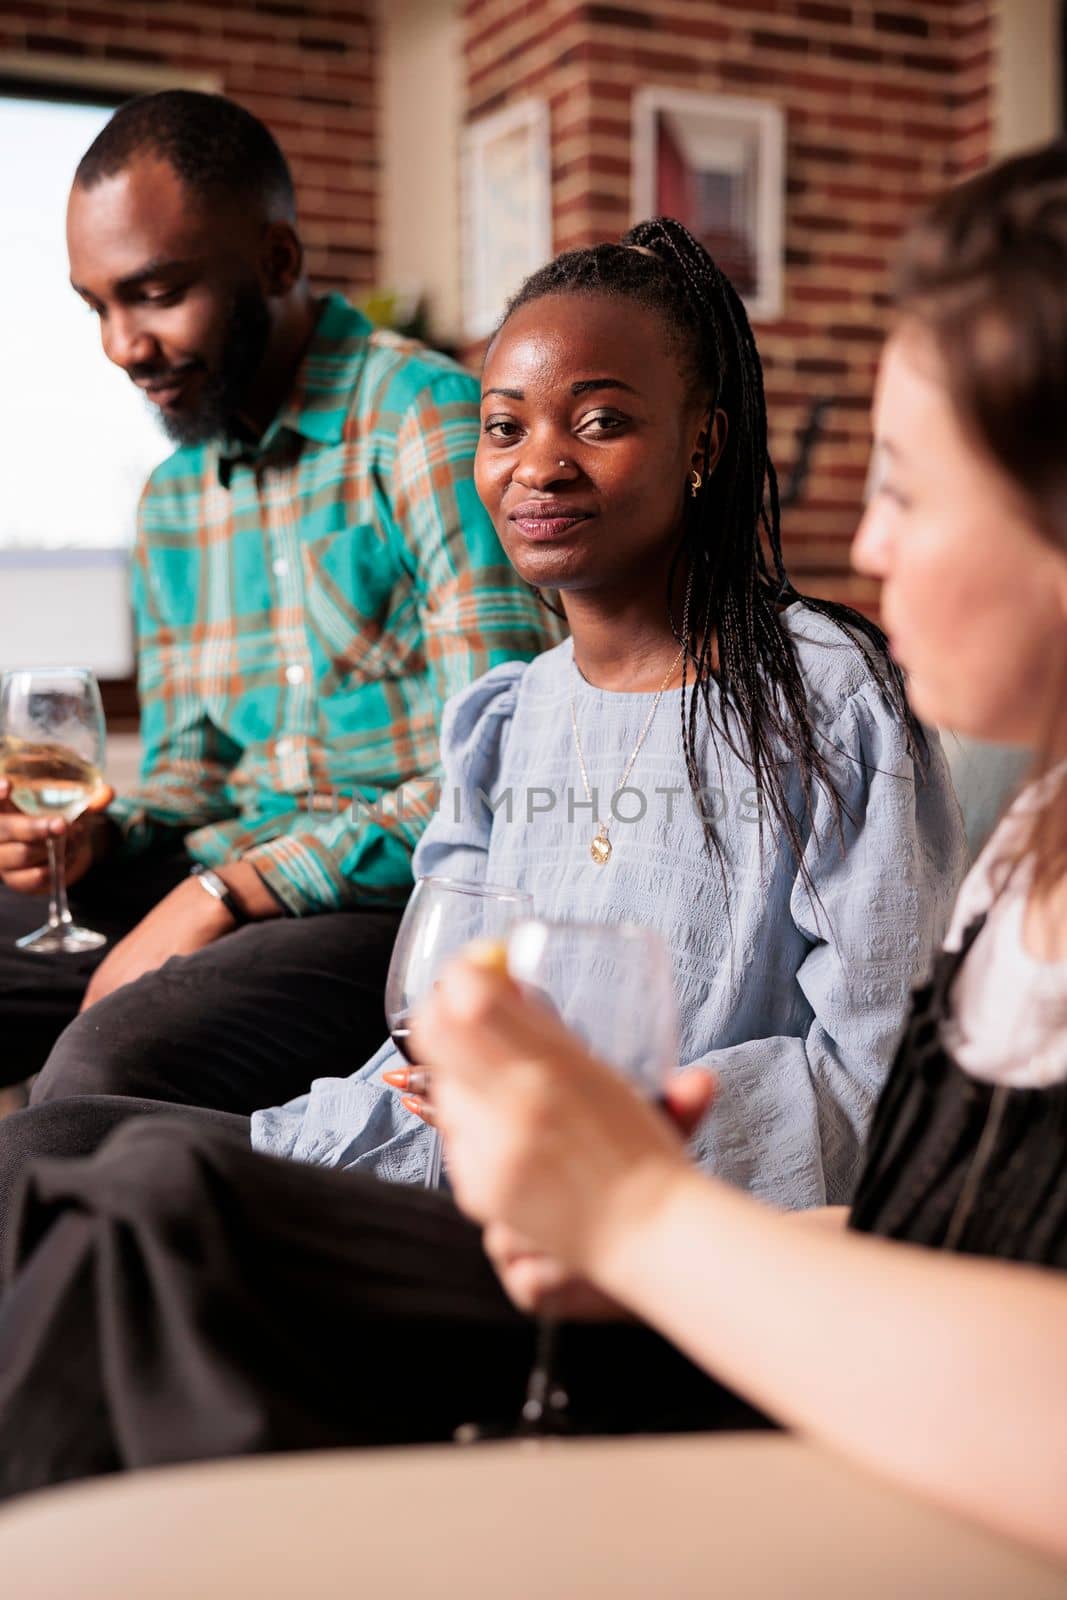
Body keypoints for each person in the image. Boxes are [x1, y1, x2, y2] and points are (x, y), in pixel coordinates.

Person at [0, 213, 967, 1495]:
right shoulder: (507, 717)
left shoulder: (826, 701)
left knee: (153, 1195)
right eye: (505, 426)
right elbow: (426, 1010)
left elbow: (878, 1090)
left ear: (702, 444)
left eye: (600, 420)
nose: (538, 465)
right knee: (52, 1148)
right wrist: (443, 1068)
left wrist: (579, 1125)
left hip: (603, 1237)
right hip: (424, 1162)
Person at [410, 143, 1067, 1563]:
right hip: (778, 1352)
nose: (866, 555)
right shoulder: (1030, 854)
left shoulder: (824, 694)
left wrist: (639, 1216)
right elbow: (930, 1235)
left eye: (901, 487)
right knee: (109, 1175)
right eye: (502, 423)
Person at [0, 91, 554, 1111]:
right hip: (228, 881)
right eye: (99, 307)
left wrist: (223, 892)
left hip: (389, 898)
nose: (123, 345)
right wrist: (100, 840)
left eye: (157, 294)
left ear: (277, 263)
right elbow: (190, 775)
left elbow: (501, 769)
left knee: (101, 1072)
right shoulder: (171, 500)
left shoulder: (425, 426)